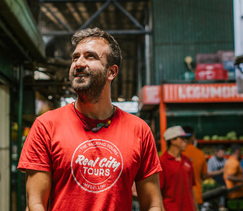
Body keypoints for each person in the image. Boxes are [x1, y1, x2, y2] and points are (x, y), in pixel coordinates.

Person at [17, 28, 163, 211]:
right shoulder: (46, 126)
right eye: (75, 57)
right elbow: (35, 204)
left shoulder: (139, 130)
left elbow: (153, 204)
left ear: (111, 72)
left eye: (90, 56)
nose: (78, 63)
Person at [159, 125, 198, 211]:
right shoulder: (162, 162)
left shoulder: (187, 161)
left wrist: (196, 208)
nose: (186, 141)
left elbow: (191, 189)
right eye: (182, 138)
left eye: (186, 138)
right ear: (173, 141)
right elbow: (158, 192)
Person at [182, 125, 209, 210]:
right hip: (196, 197)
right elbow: (204, 176)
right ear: (192, 137)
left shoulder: (178, 153)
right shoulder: (200, 154)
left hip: (180, 197)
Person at [224, 144, 243, 211]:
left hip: (235, 195)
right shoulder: (233, 162)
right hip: (237, 195)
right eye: (240, 152)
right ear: (237, 151)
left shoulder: (230, 160)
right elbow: (229, 177)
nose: (241, 154)